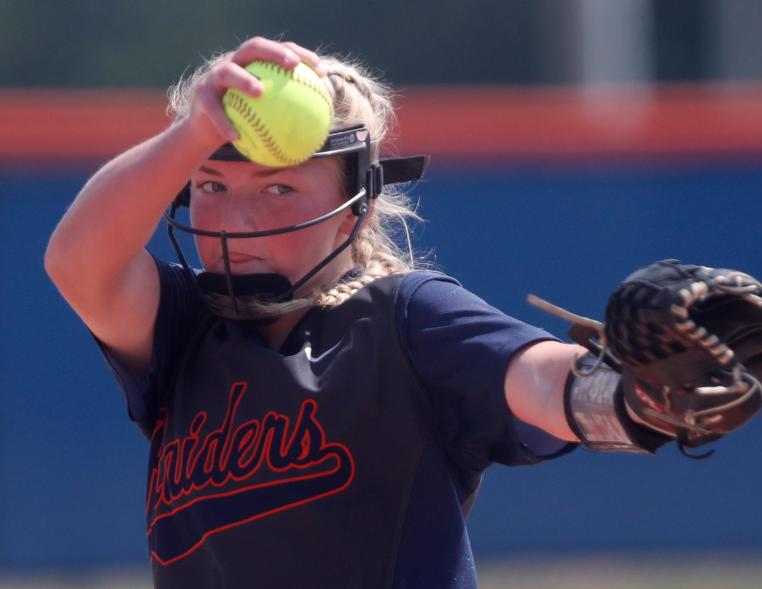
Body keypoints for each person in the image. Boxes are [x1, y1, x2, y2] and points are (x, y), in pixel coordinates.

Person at [45, 37, 586, 589]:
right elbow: (77, 260)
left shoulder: (404, 318)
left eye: (278, 186)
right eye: (210, 183)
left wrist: (626, 387)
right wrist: (193, 134)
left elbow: (543, 380)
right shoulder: (183, 326)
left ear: (356, 209)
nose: (234, 219)